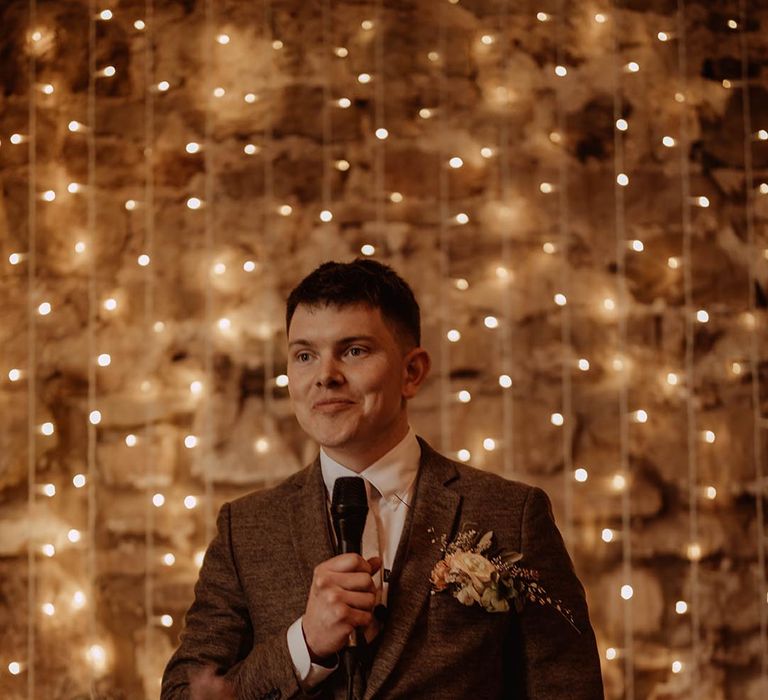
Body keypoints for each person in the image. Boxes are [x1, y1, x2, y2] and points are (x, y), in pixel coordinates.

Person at [161, 259, 604, 699]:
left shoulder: (512, 513)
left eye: (354, 350)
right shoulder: (245, 528)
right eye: (305, 355)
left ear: (412, 372)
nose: (325, 376)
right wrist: (305, 643)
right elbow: (186, 694)